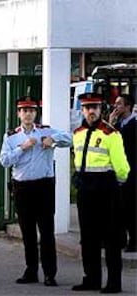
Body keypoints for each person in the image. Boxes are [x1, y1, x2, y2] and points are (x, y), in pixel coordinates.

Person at [0, 96, 72, 287]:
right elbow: (4, 161)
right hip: (22, 187)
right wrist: (22, 148)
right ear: (18, 114)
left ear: (36, 113)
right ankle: (31, 270)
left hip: (44, 186)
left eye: (31, 110)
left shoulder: (46, 130)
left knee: (47, 231)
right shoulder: (11, 137)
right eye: (24, 111)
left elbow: (70, 138)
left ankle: (50, 273)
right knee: (28, 232)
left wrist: (53, 139)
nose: (28, 114)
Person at [72, 93, 130, 294]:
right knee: (88, 238)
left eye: (95, 107)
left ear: (101, 109)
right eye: (87, 107)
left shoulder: (111, 134)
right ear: (82, 110)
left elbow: (122, 167)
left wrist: (116, 185)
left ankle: (114, 282)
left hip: (106, 192)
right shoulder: (77, 133)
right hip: (85, 191)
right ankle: (91, 279)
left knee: (111, 239)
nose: (91, 111)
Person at [109, 94, 136, 253]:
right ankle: (120, 239)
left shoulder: (134, 125)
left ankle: (134, 240)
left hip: (132, 173)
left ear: (127, 106)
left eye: (119, 104)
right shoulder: (118, 125)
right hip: (118, 172)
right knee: (119, 207)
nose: (115, 106)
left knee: (131, 208)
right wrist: (111, 122)